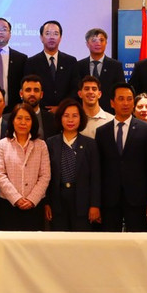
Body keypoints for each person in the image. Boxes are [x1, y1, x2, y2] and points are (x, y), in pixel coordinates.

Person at [95, 82, 147, 232]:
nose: (126, 103)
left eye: (129, 99)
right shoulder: (102, 132)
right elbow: (98, 170)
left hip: (138, 199)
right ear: (112, 102)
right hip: (109, 200)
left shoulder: (146, 129)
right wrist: (96, 203)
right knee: (111, 246)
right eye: (121, 99)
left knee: (138, 245)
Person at [45, 99, 100, 231]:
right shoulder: (51, 143)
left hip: (82, 202)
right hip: (57, 201)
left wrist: (95, 205)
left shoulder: (90, 144)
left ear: (81, 119)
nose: (70, 120)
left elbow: (96, 177)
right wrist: (47, 203)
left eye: (75, 116)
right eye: (66, 115)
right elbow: (45, 176)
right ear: (60, 118)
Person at [0, 104, 51, 231]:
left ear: (33, 122)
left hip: (34, 206)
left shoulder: (41, 145)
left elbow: (45, 175)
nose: (23, 122)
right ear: (13, 120)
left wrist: (31, 199)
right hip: (8, 205)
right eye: (19, 118)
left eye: (27, 119)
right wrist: (17, 198)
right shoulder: (2, 145)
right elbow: (0, 175)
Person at [24, 20, 79, 111]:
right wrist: (46, 109)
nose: (52, 37)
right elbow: (29, 89)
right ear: (41, 37)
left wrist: (61, 107)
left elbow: (75, 89)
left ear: (60, 38)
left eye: (56, 34)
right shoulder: (32, 62)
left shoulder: (71, 61)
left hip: (65, 111)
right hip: (40, 112)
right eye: (48, 33)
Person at [77, 28, 125, 114]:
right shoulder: (79, 65)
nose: (98, 43)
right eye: (94, 40)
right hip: (84, 113)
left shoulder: (115, 66)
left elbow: (120, 91)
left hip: (109, 113)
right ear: (87, 44)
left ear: (106, 43)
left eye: (101, 40)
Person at [20, 75, 58, 140]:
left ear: (41, 94)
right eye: (28, 90)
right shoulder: (9, 119)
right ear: (21, 94)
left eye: (36, 90)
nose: (32, 94)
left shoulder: (52, 119)